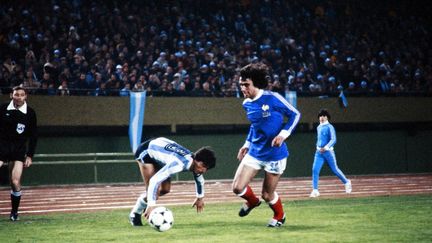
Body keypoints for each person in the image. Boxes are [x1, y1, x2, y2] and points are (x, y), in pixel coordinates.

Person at [232, 62, 301, 227]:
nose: (242, 88)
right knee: (237, 187)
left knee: (267, 195)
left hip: (275, 155)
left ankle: (280, 215)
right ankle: (252, 201)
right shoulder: (246, 103)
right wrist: (247, 143)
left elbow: (295, 114)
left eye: (246, 84)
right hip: (255, 152)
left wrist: (283, 134)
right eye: (241, 84)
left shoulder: (273, 98)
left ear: (256, 83)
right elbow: (254, 126)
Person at [129, 137, 216, 226]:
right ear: (196, 160)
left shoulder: (195, 164)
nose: (204, 170)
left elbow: (200, 180)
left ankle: (146, 202)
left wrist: (200, 198)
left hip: (159, 152)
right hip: (146, 151)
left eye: (207, 168)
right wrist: (152, 205)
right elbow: (154, 180)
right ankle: (135, 213)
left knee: (165, 190)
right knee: (152, 192)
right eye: (203, 166)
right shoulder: (178, 164)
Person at [0, 86, 38, 221]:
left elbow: (33, 136)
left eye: (22, 95)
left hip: (18, 150)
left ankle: (14, 212)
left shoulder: (30, 113)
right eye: (16, 94)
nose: (19, 97)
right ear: (11, 95)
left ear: (25, 96)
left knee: (15, 182)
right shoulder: (3, 109)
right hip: (2, 148)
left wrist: (30, 155)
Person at [309, 109, 352, 198]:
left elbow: (334, 139)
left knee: (335, 170)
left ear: (327, 117)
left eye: (324, 116)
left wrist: (326, 147)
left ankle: (347, 182)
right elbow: (319, 140)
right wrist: (318, 147)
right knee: (315, 170)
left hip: (328, 153)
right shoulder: (318, 127)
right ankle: (315, 190)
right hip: (318, 153)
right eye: (320, 116)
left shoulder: (330, 127)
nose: (322, 118)